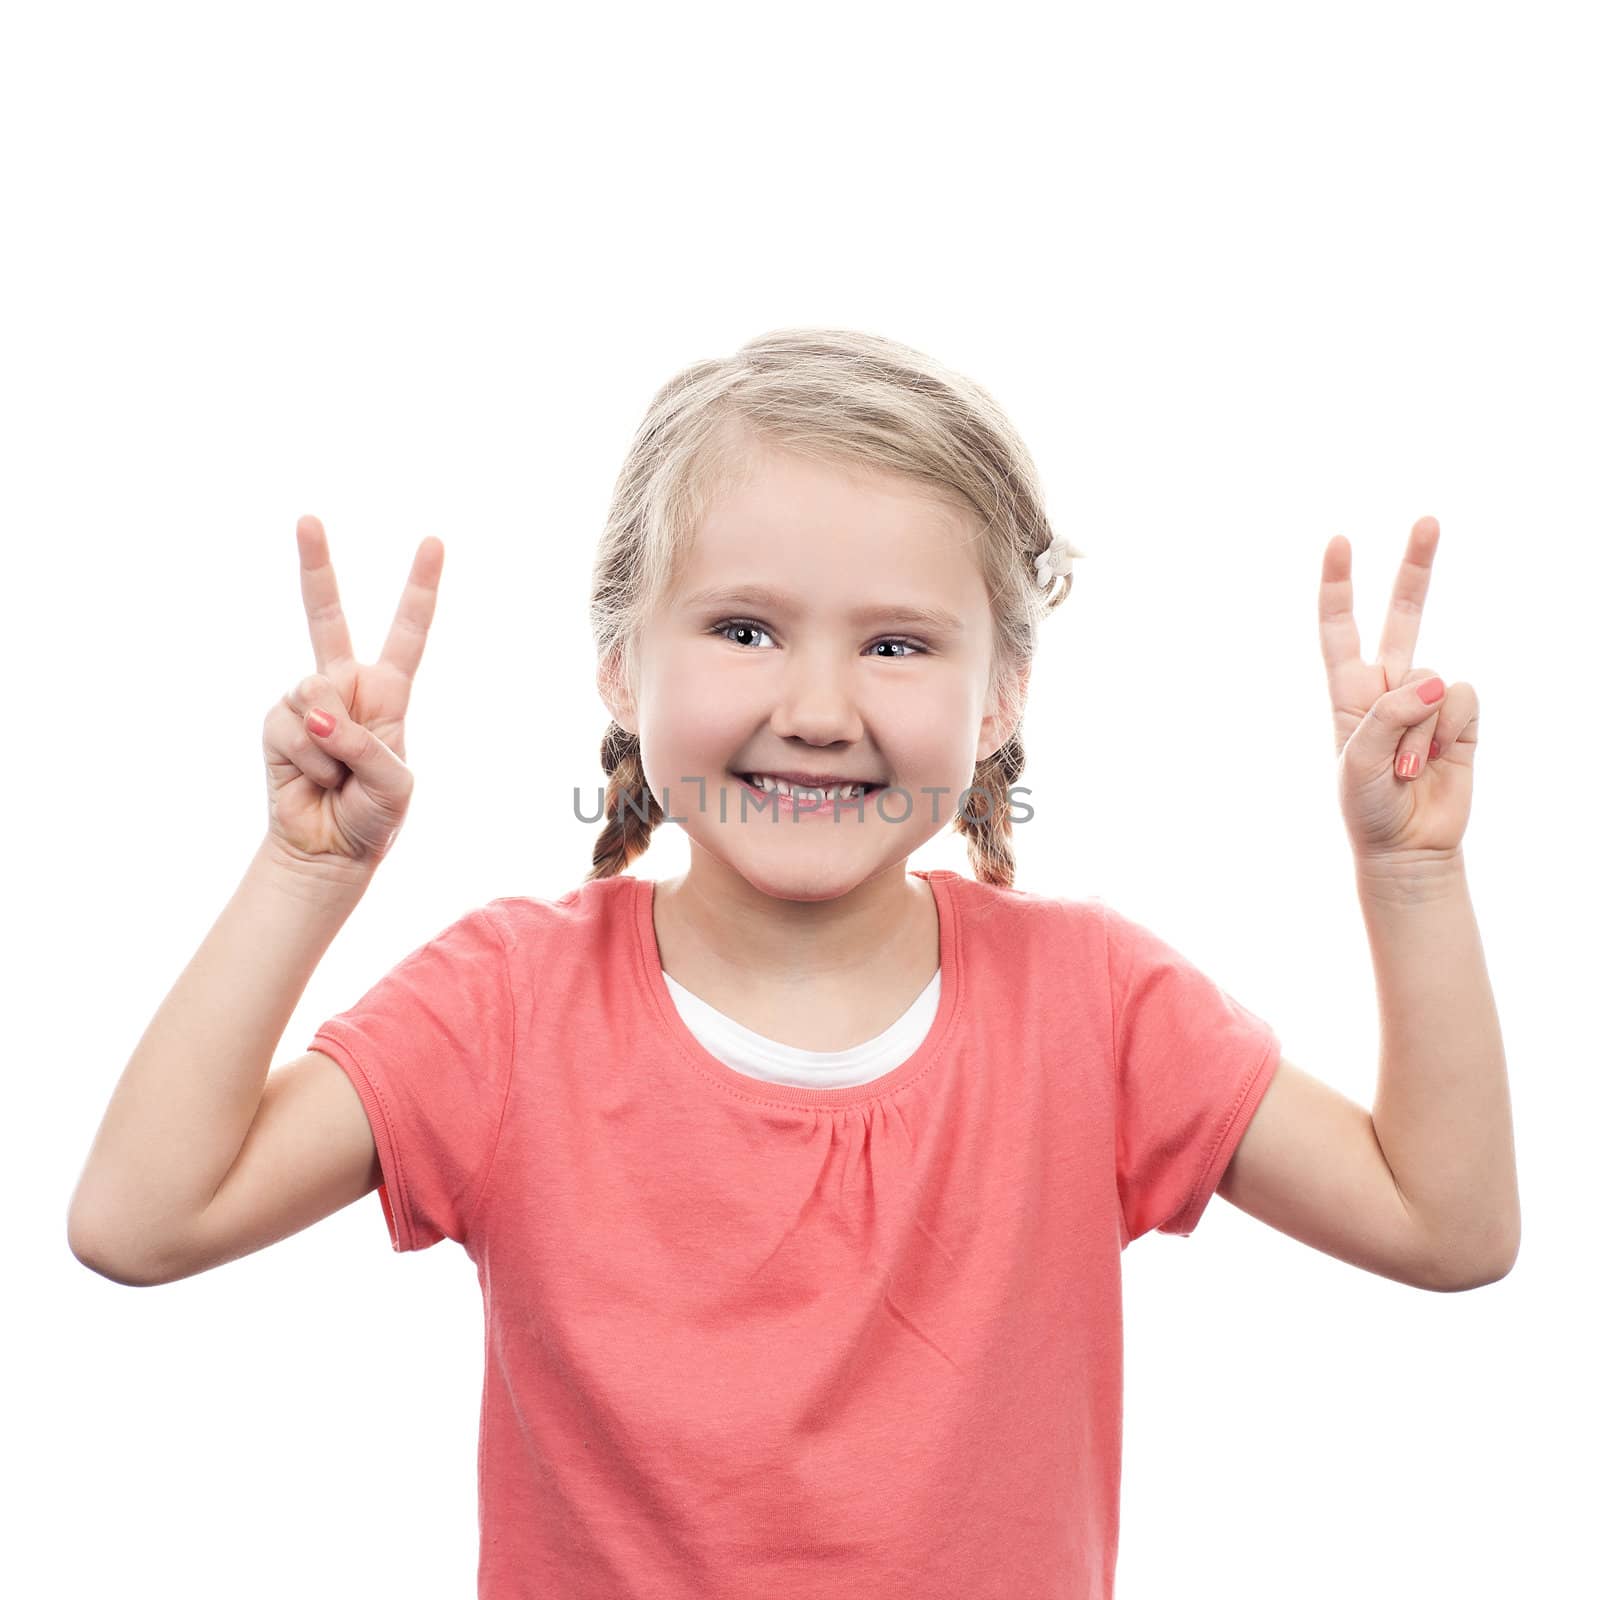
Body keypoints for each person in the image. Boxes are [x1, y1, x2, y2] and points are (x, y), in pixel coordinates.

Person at [67, 327, 1518, 1599]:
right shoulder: (507, 1008)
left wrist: (1411, 872)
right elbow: (141, 1221)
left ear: (1002, 690)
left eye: (896, 645)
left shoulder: (1095, 1007)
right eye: (746, 629)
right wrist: (306, 871)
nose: (818, 709)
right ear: (622, 663)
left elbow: (1447, 1228)